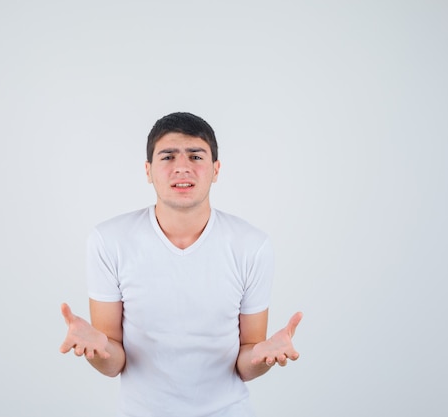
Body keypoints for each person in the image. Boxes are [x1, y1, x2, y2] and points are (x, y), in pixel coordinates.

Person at [59, 112, 302, 417]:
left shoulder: (252, 246)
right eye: (168, 156)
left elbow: (245, 361)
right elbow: (114, 363)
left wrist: (262, 357)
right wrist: (96, 350)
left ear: (216, 169)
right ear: (148, 171)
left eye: (196, 156)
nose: (182, 167)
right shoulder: (109, 241)